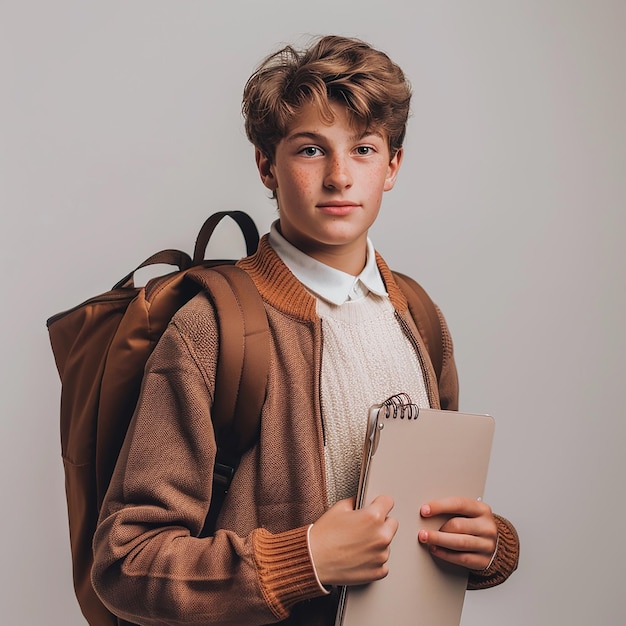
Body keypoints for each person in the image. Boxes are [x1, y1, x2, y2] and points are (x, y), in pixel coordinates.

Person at [92, 35, 519, 625]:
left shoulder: (417, 315)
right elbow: (126, 562)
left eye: (364, 149)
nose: (340, 176)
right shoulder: (212, 328)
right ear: (267, 163)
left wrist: (487, 546)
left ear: (393, 165)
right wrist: (307, 559)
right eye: (311, 150)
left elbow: (429, 513)